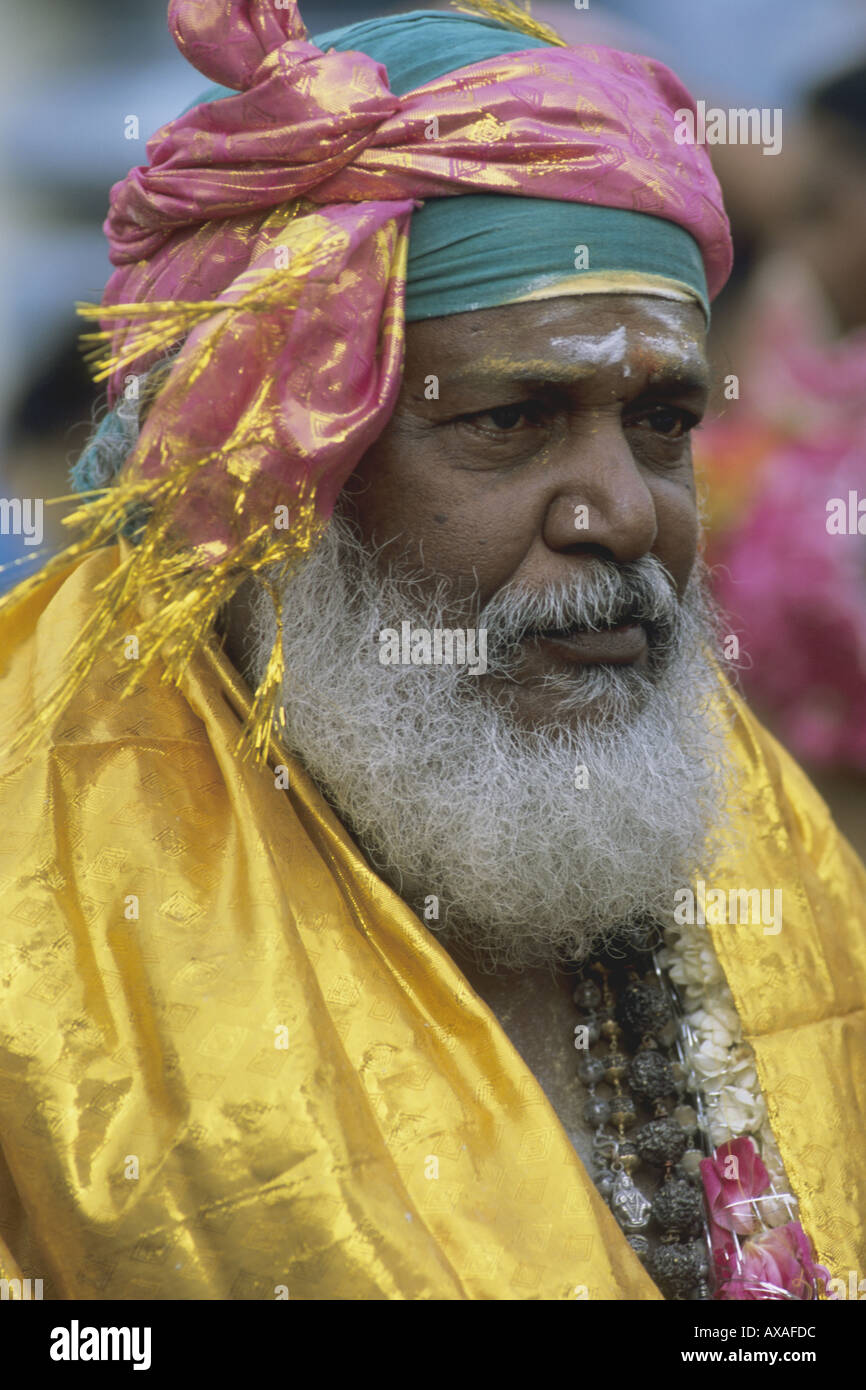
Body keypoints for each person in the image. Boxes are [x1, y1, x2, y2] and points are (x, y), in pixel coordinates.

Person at [0, 1, 862, 1303]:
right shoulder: (38, 848)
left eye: (661, 420)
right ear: (282, 474)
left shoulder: (738, 813)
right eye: (513, 417)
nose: (622, 512)